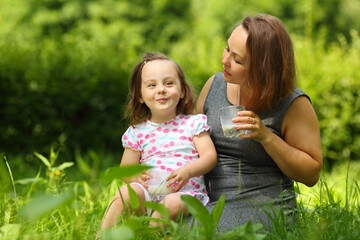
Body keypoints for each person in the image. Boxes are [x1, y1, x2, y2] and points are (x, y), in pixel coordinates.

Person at [196, 14, 322, 231]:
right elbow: (189, 137)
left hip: (260, 205)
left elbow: (311, 174)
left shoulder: (293, 103)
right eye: (227, 49)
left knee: (191, 233)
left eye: (237, 60)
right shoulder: (213, 85)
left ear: (263, 69)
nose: (225, 61)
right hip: (207, 199)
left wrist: (265, 136)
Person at [99, 52, 217, 232]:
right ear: (140, 95)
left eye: (169, 83)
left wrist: (188, 170)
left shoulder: (193, 123)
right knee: (126, 193)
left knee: (168, 203)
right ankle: (102, 235)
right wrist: (135, 178)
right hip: (150, 195)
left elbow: (210, 157)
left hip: (186, 195)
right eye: (152, 85)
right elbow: (125, 169)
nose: (161, 89)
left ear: (183, 90)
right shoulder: (137, 132)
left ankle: (153, 234)